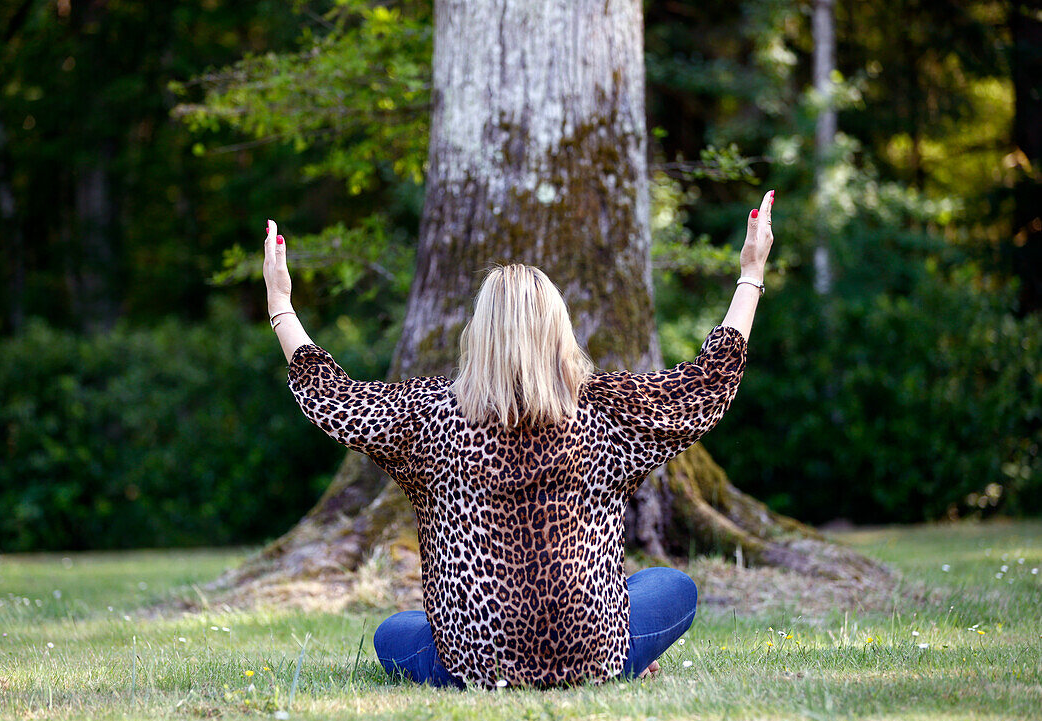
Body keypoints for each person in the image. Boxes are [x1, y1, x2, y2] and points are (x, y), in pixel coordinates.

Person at [261, 190, 776, 689]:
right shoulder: (604, 410)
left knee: (393, 632)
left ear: (479, 334)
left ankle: (523, 660)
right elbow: (707, 383)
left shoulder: (430, 418)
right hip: (596, 654)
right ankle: (619, 663)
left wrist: (281, 306)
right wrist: (750, 275)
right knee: (673, 587)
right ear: (559, 330)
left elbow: (335, 398)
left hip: (478, 666)